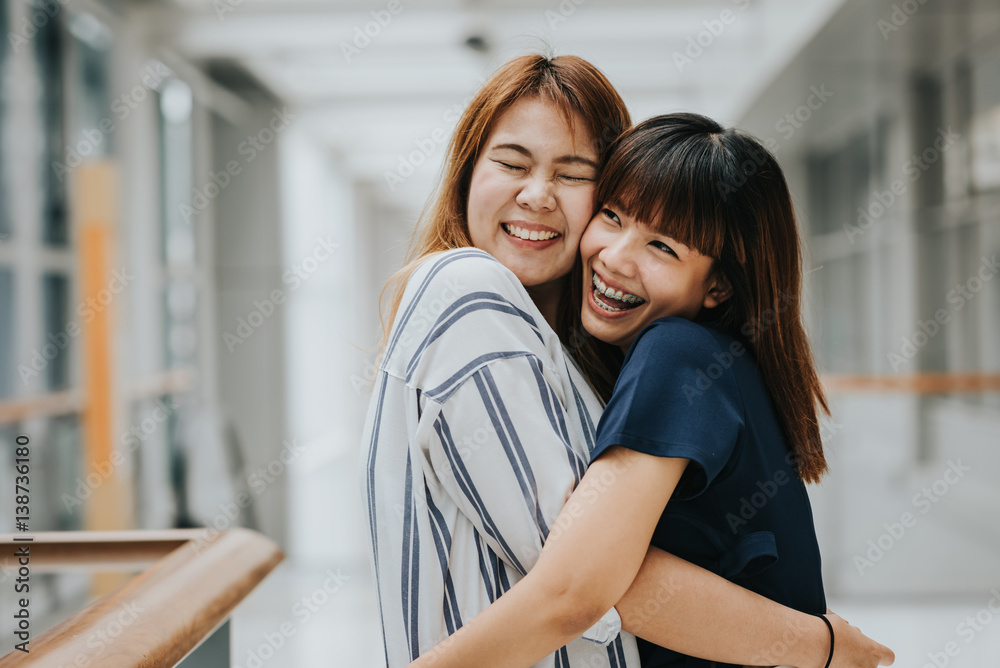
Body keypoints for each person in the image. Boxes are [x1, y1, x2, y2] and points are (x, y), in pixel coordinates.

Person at [361, 54, 893, 668]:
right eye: (511, 162)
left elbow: (575, 584)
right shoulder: (478, 293)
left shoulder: (675, 354)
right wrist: (821, 645)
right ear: (466, 171)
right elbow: (578, 578)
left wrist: (822, 647)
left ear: (718, 286)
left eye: (573, 173)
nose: (614, 256)